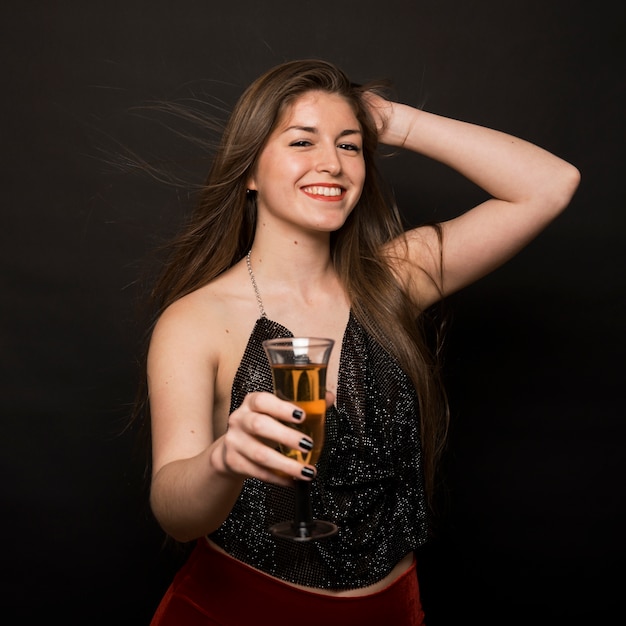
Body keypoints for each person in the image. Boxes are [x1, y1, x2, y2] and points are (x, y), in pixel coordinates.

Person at [135, 59, 579, 625]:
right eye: (302, 141)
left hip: (394, 611)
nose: (332, 163)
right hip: (242, 610)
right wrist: (224, 460)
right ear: (248, 171)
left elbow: (548, 185)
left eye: (350, 147)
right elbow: (174, 511)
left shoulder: (396, 277)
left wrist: (389, 120)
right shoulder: (196, 319)